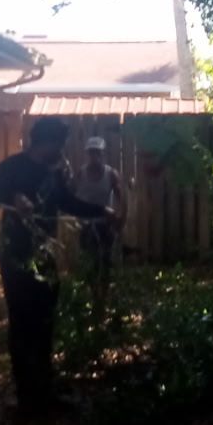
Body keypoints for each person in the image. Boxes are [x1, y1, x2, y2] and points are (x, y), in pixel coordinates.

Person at [0, 117, 110, 417]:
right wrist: (11, 198)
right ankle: (26, 400)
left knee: (45, 323)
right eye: (57, 145)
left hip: (44, 256)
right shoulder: (13, 168)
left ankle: (44, 393)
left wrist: (101, 211)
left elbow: (66, 202)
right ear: (44, 143)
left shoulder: (54, 172)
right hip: (17, 258)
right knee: (23, 325)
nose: (60, 151)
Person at [73, 135, 125, 317]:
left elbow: (120, 197)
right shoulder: (81, 173)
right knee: (90, 262)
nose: (94, 156)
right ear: (87, 154)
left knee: (105, 262)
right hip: (87, 225)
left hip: (105, 225)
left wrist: (120, 218)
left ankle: (102, 300)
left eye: (97, 153)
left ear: (102, 154)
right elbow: (73, 196)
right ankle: (94, 298)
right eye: (91, 153)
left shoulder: (111, 174)